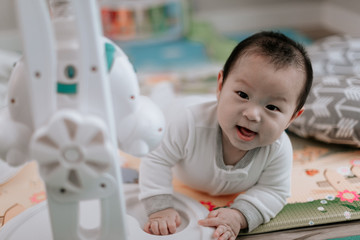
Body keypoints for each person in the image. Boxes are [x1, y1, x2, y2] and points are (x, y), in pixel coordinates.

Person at [139, 31, 313, 240]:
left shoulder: (277, 149)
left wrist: (238, 215)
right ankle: (162, 90)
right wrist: (160, 208)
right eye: (243, 95)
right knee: (148, 114)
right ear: (220, 85)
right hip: (174, 109)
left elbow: (274, 191)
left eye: (272, 107)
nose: (252, 114)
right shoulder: (188, 124)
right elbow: (156, 159)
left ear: (293, 117)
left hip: (220, 108)